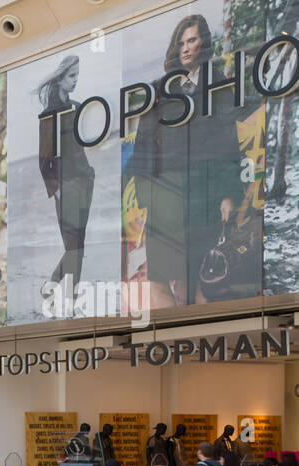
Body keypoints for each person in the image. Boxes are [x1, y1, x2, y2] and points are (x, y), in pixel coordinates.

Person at [129, 13, 252, 308]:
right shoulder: (159, 90)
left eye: (192, 40)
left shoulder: (217, 86)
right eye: (181, 42)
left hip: (203, 194)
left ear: (203, 43)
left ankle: (196, 346)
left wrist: (226, 195)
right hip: (166, 196)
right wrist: (146, 197)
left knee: (197, 275)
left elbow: (228, 145)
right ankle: (176, 344)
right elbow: (144, 145)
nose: (185, 48)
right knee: (159, 276)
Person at [34, 54, 94, 295]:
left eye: (77, 75)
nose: (75, 80)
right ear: (60, 78)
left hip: (84, 182)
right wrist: (56, 190)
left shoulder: (78, 107)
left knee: (79, 244)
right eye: (71, 76)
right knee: (72, 246)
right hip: (66, 187)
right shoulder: (49, 114)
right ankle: (65, 289)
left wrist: (89, 178)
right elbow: (44, 160)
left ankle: (64, 287)